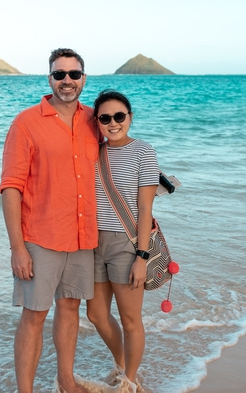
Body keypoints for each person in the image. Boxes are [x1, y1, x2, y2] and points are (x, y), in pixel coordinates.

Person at [0, 48, 100, 393]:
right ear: (50, 80)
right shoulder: (26, 122)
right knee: (34, 315)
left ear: (84, 79)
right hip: (40, 237)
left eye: (74, 74)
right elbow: (10, 187)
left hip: (83, 236)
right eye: (60, 75)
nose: (67, 81)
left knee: (70, 308)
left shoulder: (94, 121)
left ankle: (66, 380)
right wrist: (17, 248)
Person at [85, 90, 159, 393]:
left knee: (130, 320)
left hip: (127, 245)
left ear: (130, 117)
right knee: (96, 315)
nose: (113, 123)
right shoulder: (93, 151)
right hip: (90, 242)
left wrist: (142, 257)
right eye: (105, 118)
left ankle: (130, 380)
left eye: (119, 116)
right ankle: (121, 367)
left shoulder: (144, 151)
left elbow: (145, 208)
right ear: (97, 122)